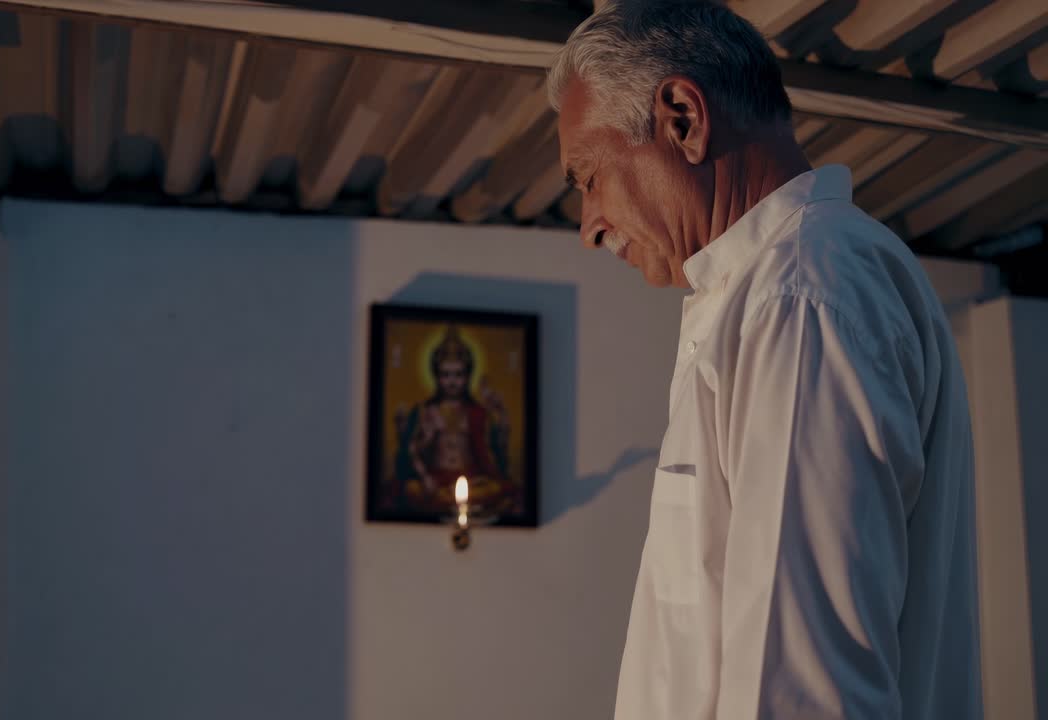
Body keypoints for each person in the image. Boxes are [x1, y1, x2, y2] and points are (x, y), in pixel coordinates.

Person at [548, 2, 982, 718]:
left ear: (682, 118)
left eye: (588, 175)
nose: (590, 226)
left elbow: (804, 686)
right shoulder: (773, 294)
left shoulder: (802, 295)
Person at [390, 326, 512, 514]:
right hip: (435, 479)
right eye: (445, 375)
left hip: (471, 479)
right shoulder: (426, 412)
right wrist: (425, 474)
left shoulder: (477, 412)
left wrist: (502, 415)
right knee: (411, 490)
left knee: (495, 490)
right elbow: (413, 452)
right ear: (436, 377)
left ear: (468, 376)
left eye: (458, 374)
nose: (452, 381)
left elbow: (496, 453)